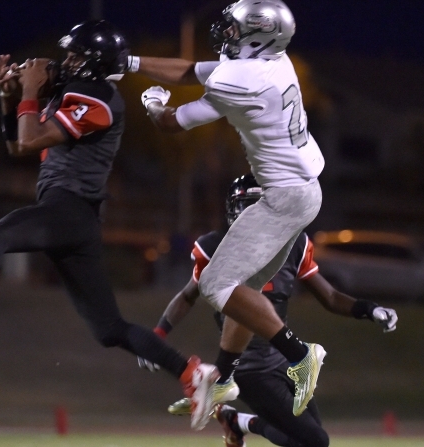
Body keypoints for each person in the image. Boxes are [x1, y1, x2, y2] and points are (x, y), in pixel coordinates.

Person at [0, 20, 221, 431]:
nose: (66, 61)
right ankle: (190, 372)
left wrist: (32, 92)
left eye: (75, 56)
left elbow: (31, 140)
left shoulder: (101, 99)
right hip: (75, 219)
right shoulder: (78, 93)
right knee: (110, 329)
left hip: (70, 210)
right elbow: (17, 144)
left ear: (94, 64)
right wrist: (9, 98)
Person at [128, 0, 328, 416]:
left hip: (285, 196)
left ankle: (299, 355)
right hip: (302, 190)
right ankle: (223, 379)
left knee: (216, 285)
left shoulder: (240, 80)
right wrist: (128, 64)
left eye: (236, 28)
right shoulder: (274, 62)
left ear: (259, 35)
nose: (227, 33)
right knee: (246, 288)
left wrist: (152, 102)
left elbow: (171, 122)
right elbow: (188, 70)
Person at [139, 174, 398, 447]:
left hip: (286, 360)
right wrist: (157, 336)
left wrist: (370, 309)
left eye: (258, 205)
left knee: (304, 441)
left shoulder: (293, 243)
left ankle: (237, 421)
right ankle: (239, 421)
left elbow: (330, 297)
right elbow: (186, 296)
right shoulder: (215, 247)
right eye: (247, 205)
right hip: (248, 367)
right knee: (316, 441)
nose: (252, 214)